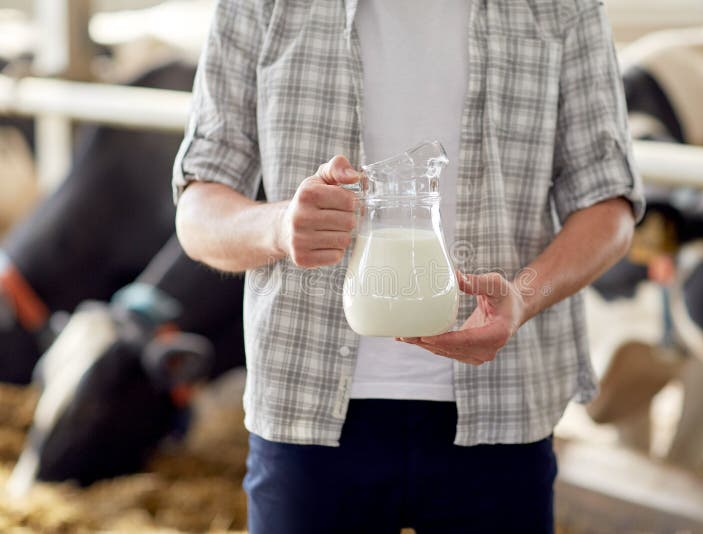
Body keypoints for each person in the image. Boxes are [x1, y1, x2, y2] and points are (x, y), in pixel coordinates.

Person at [173, 0, 644, 532]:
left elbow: (610, 207)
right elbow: (197, 210)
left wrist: (525, 293)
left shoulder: (562, 7)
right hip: (305, 408)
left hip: (504, 411)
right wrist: (279, 227)